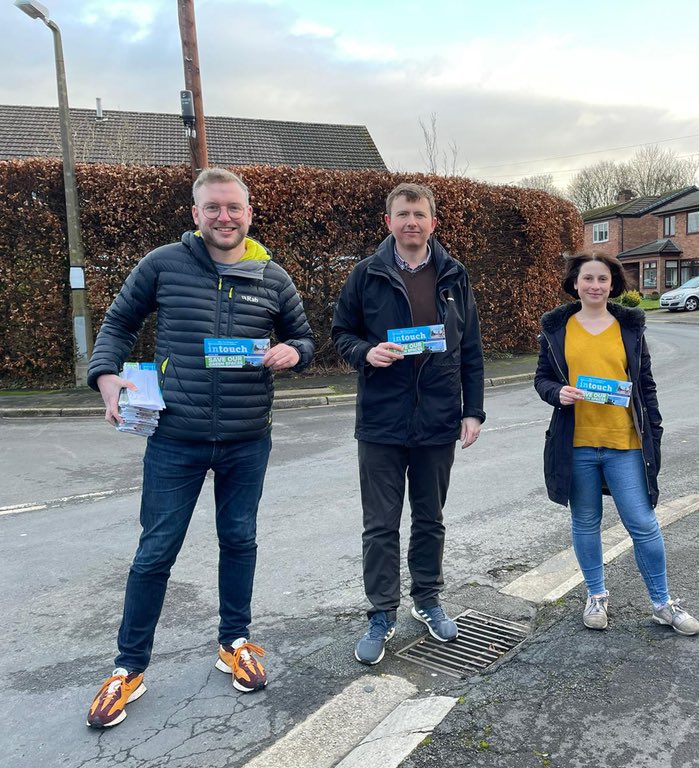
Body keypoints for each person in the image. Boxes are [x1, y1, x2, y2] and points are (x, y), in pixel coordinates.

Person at [84, 168, 315, 727]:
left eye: (233, 208)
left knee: (239, 540)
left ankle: (234, 641)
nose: (224, 217)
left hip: (246, 439)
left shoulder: (273, 276)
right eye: (213, 207)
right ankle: (128, 668)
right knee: (156, 550)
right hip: (175, 438)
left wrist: (295, 354)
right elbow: (117, 322)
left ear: (249, 213)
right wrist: (105, 375)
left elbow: (305, 337)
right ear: (195, 213)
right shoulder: (164, 264)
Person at [331, 182, 485, 665]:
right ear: (389, 222)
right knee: (379, 526)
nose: (411, 222)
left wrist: (472, 410)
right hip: (380, 422)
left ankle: (428, 600)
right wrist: (364, 352)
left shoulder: (455, 277)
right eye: (403, 214)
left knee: (430, 520)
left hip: (437, 420)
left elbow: (472, 352)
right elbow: (341, 333)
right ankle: (381, 613)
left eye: (419, 214)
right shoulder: (366, 275)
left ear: (433, 223)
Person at [534, 253, 699, 635]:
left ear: (613, 285)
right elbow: (543, 377)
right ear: (574, 283)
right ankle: (596, 595)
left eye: (603, 279)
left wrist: (654, 432)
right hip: (576, 443)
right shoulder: (557, 328)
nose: (595, 285)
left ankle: (662, 603)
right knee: (585, 521)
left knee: (643, 523)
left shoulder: (629, 328)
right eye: (588, 278)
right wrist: (555, 392)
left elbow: (645, 384)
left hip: (624, 442)